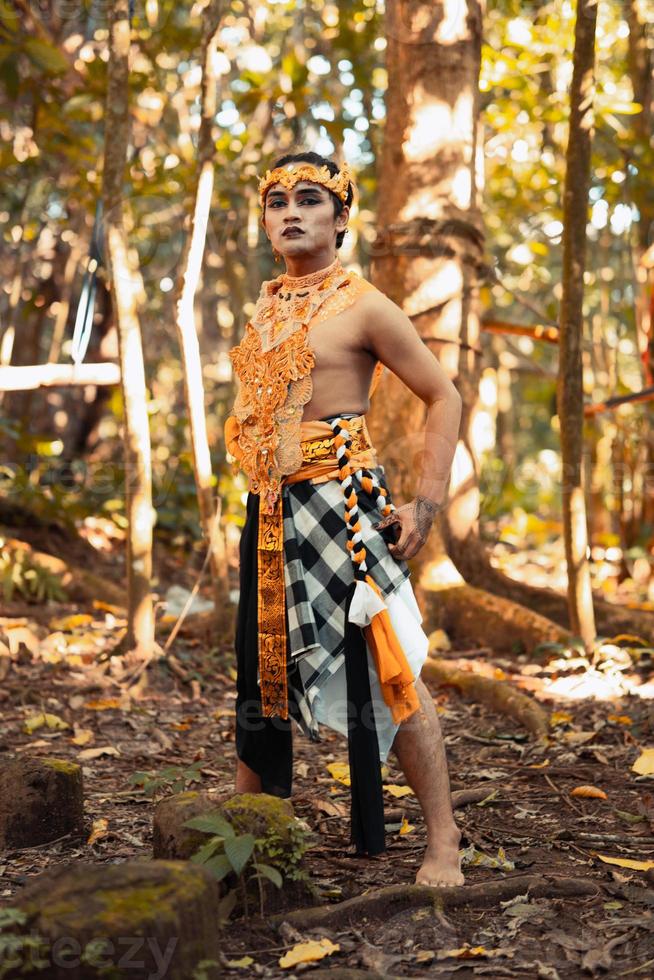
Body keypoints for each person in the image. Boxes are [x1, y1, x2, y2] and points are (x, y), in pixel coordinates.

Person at [224, 150, 464, 887]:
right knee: (259, 673)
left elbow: (444, 395)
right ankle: (252, 839)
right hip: (268, 512)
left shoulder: (364, 303)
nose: (290, 212)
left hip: (344, 510)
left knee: (391, 668)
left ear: (340, 218)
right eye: (276, 201)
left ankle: (445, 840)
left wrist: (425, 503)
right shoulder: (265, 305)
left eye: (308, 199)